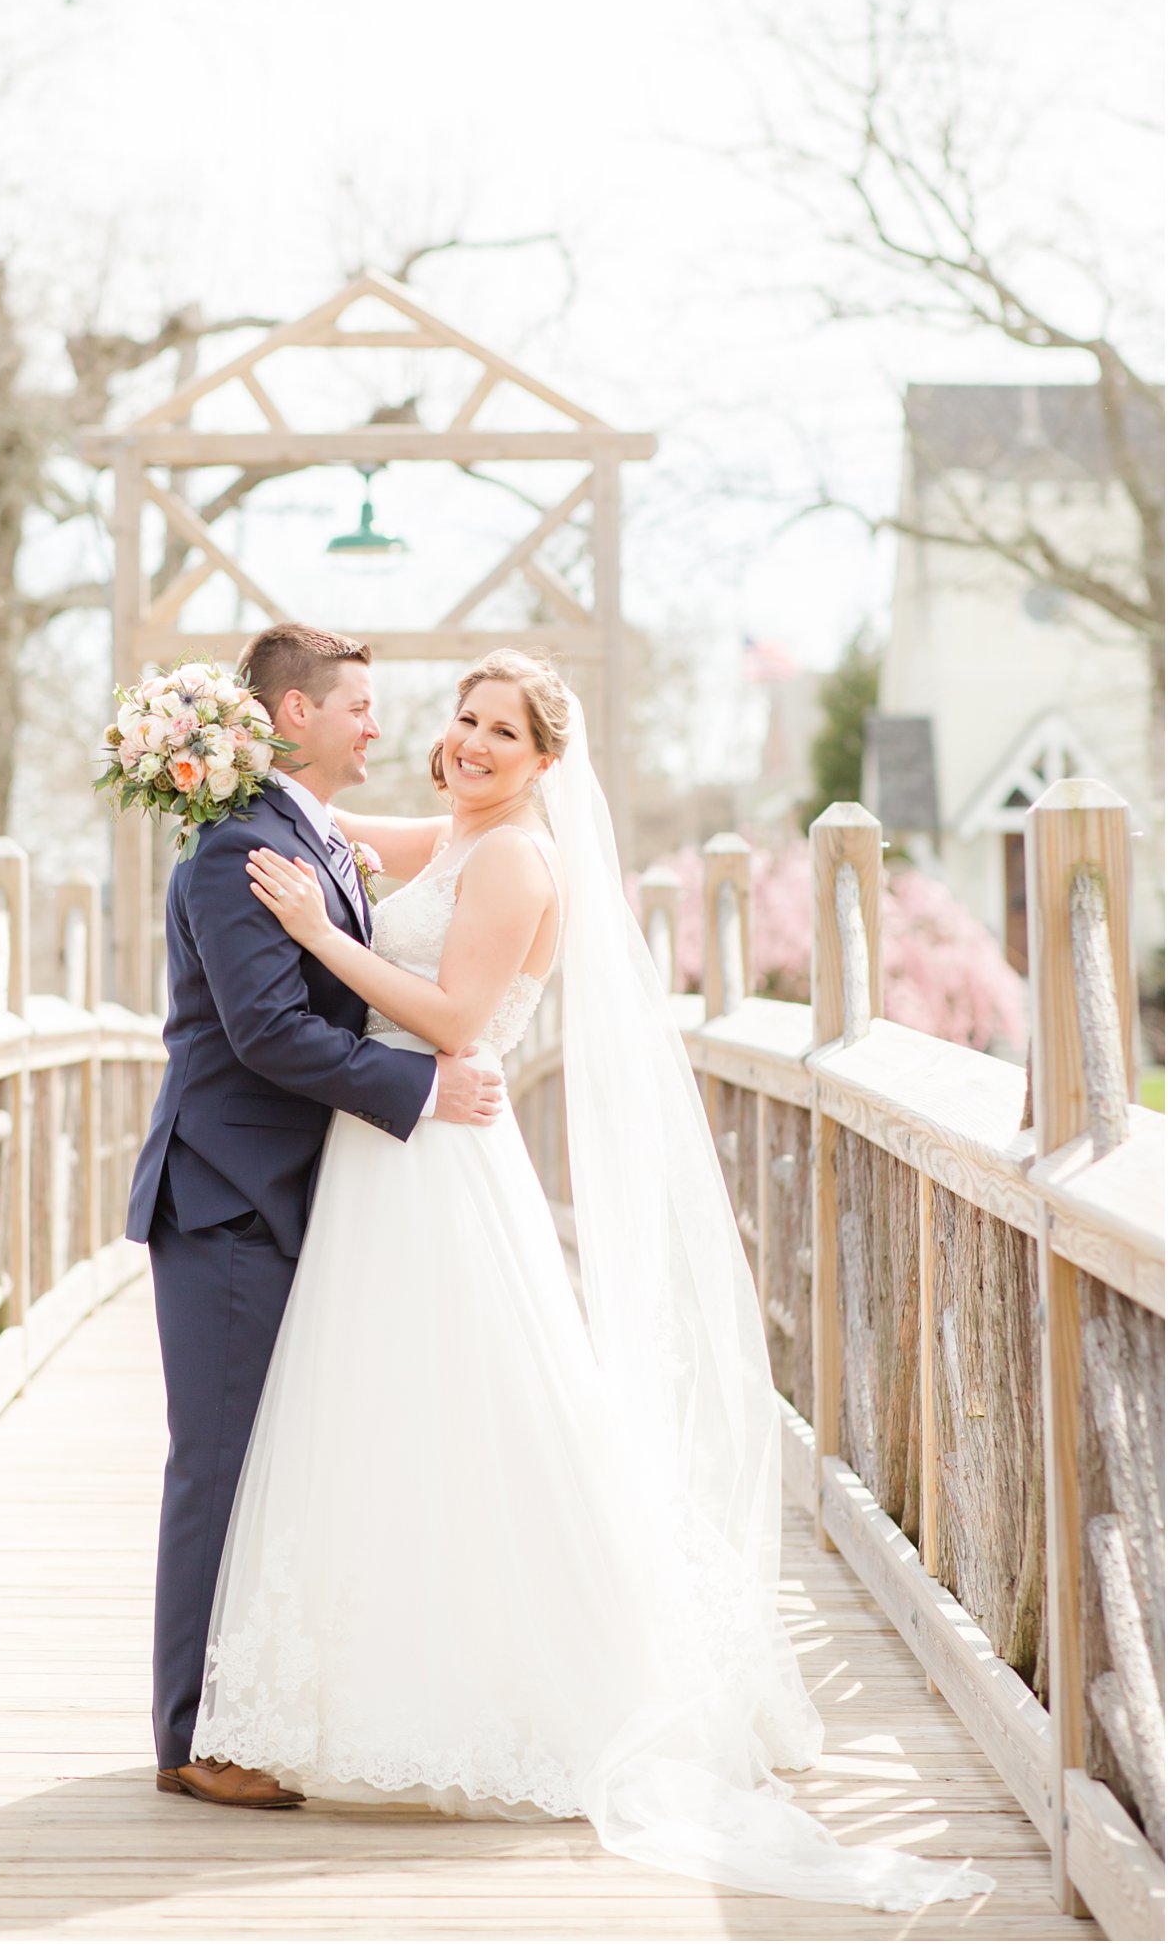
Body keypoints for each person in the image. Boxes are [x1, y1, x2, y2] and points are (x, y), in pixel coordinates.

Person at [189, 649, 991, 1911]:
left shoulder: (513, 857)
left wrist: (308, 937)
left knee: (469, 1408)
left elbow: (455, 1022)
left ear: (545, 762)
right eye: (458, 720)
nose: (465, 744)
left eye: (498, 732)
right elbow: (322, 821)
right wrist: (209, 752)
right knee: (383, 1414)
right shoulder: (459, 833)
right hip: (387, 1160)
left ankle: (528, 1686)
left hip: (436, 1155)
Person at [124, 624, 504, 1811]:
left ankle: (251, 1709)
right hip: (231, 1196)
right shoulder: (238, 849)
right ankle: (193, 1736)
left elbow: (468, 855)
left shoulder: (310, 836)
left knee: (272, 1466)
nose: (379, 729)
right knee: (220, 1466)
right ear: (294, 717)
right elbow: (266, 1036)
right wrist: (421, 1087)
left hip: (297, 1195)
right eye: (357, 707)